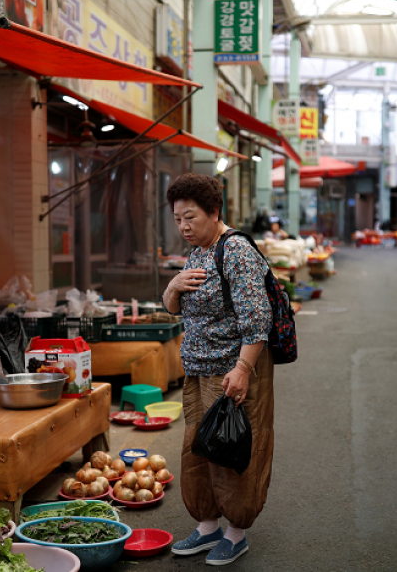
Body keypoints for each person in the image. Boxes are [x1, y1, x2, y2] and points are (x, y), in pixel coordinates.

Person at [162, 173, 274, 566]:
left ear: (214, 211)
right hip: (197, 372)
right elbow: (175, 308)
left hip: (231, 374)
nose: (184, 226)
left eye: (190, 217)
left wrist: (243, 369)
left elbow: (258, 319)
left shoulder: (236, 250)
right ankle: (208, 526)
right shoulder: (197, 252)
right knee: (198, 448)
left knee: (232, 450)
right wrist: (173, 286)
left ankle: (236, 532)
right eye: (177, 219)